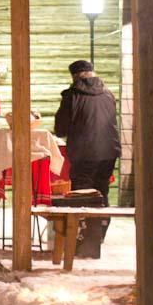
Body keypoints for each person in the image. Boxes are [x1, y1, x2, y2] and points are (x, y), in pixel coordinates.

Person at [54, 60, 121, 203]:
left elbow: (60, 130)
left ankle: (83, 224)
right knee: (102, 190)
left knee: (81, 194)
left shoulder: (71, 96)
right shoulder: (108, 93)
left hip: (84, 153)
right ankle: (101, 223)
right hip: (109, 152)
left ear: (75, 76)